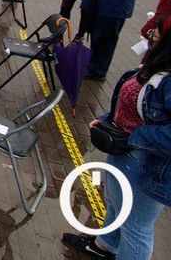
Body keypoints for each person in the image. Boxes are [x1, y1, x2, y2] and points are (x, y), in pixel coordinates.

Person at [62, 15, 171, 259]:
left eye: (156, 33)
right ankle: (105, 245)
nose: (150, 36)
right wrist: (109, 119)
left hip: (147, 164)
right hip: (129, 154)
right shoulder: (159, 66)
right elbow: (137, 102)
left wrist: (134, 137)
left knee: (135, 228)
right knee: (114, 203)